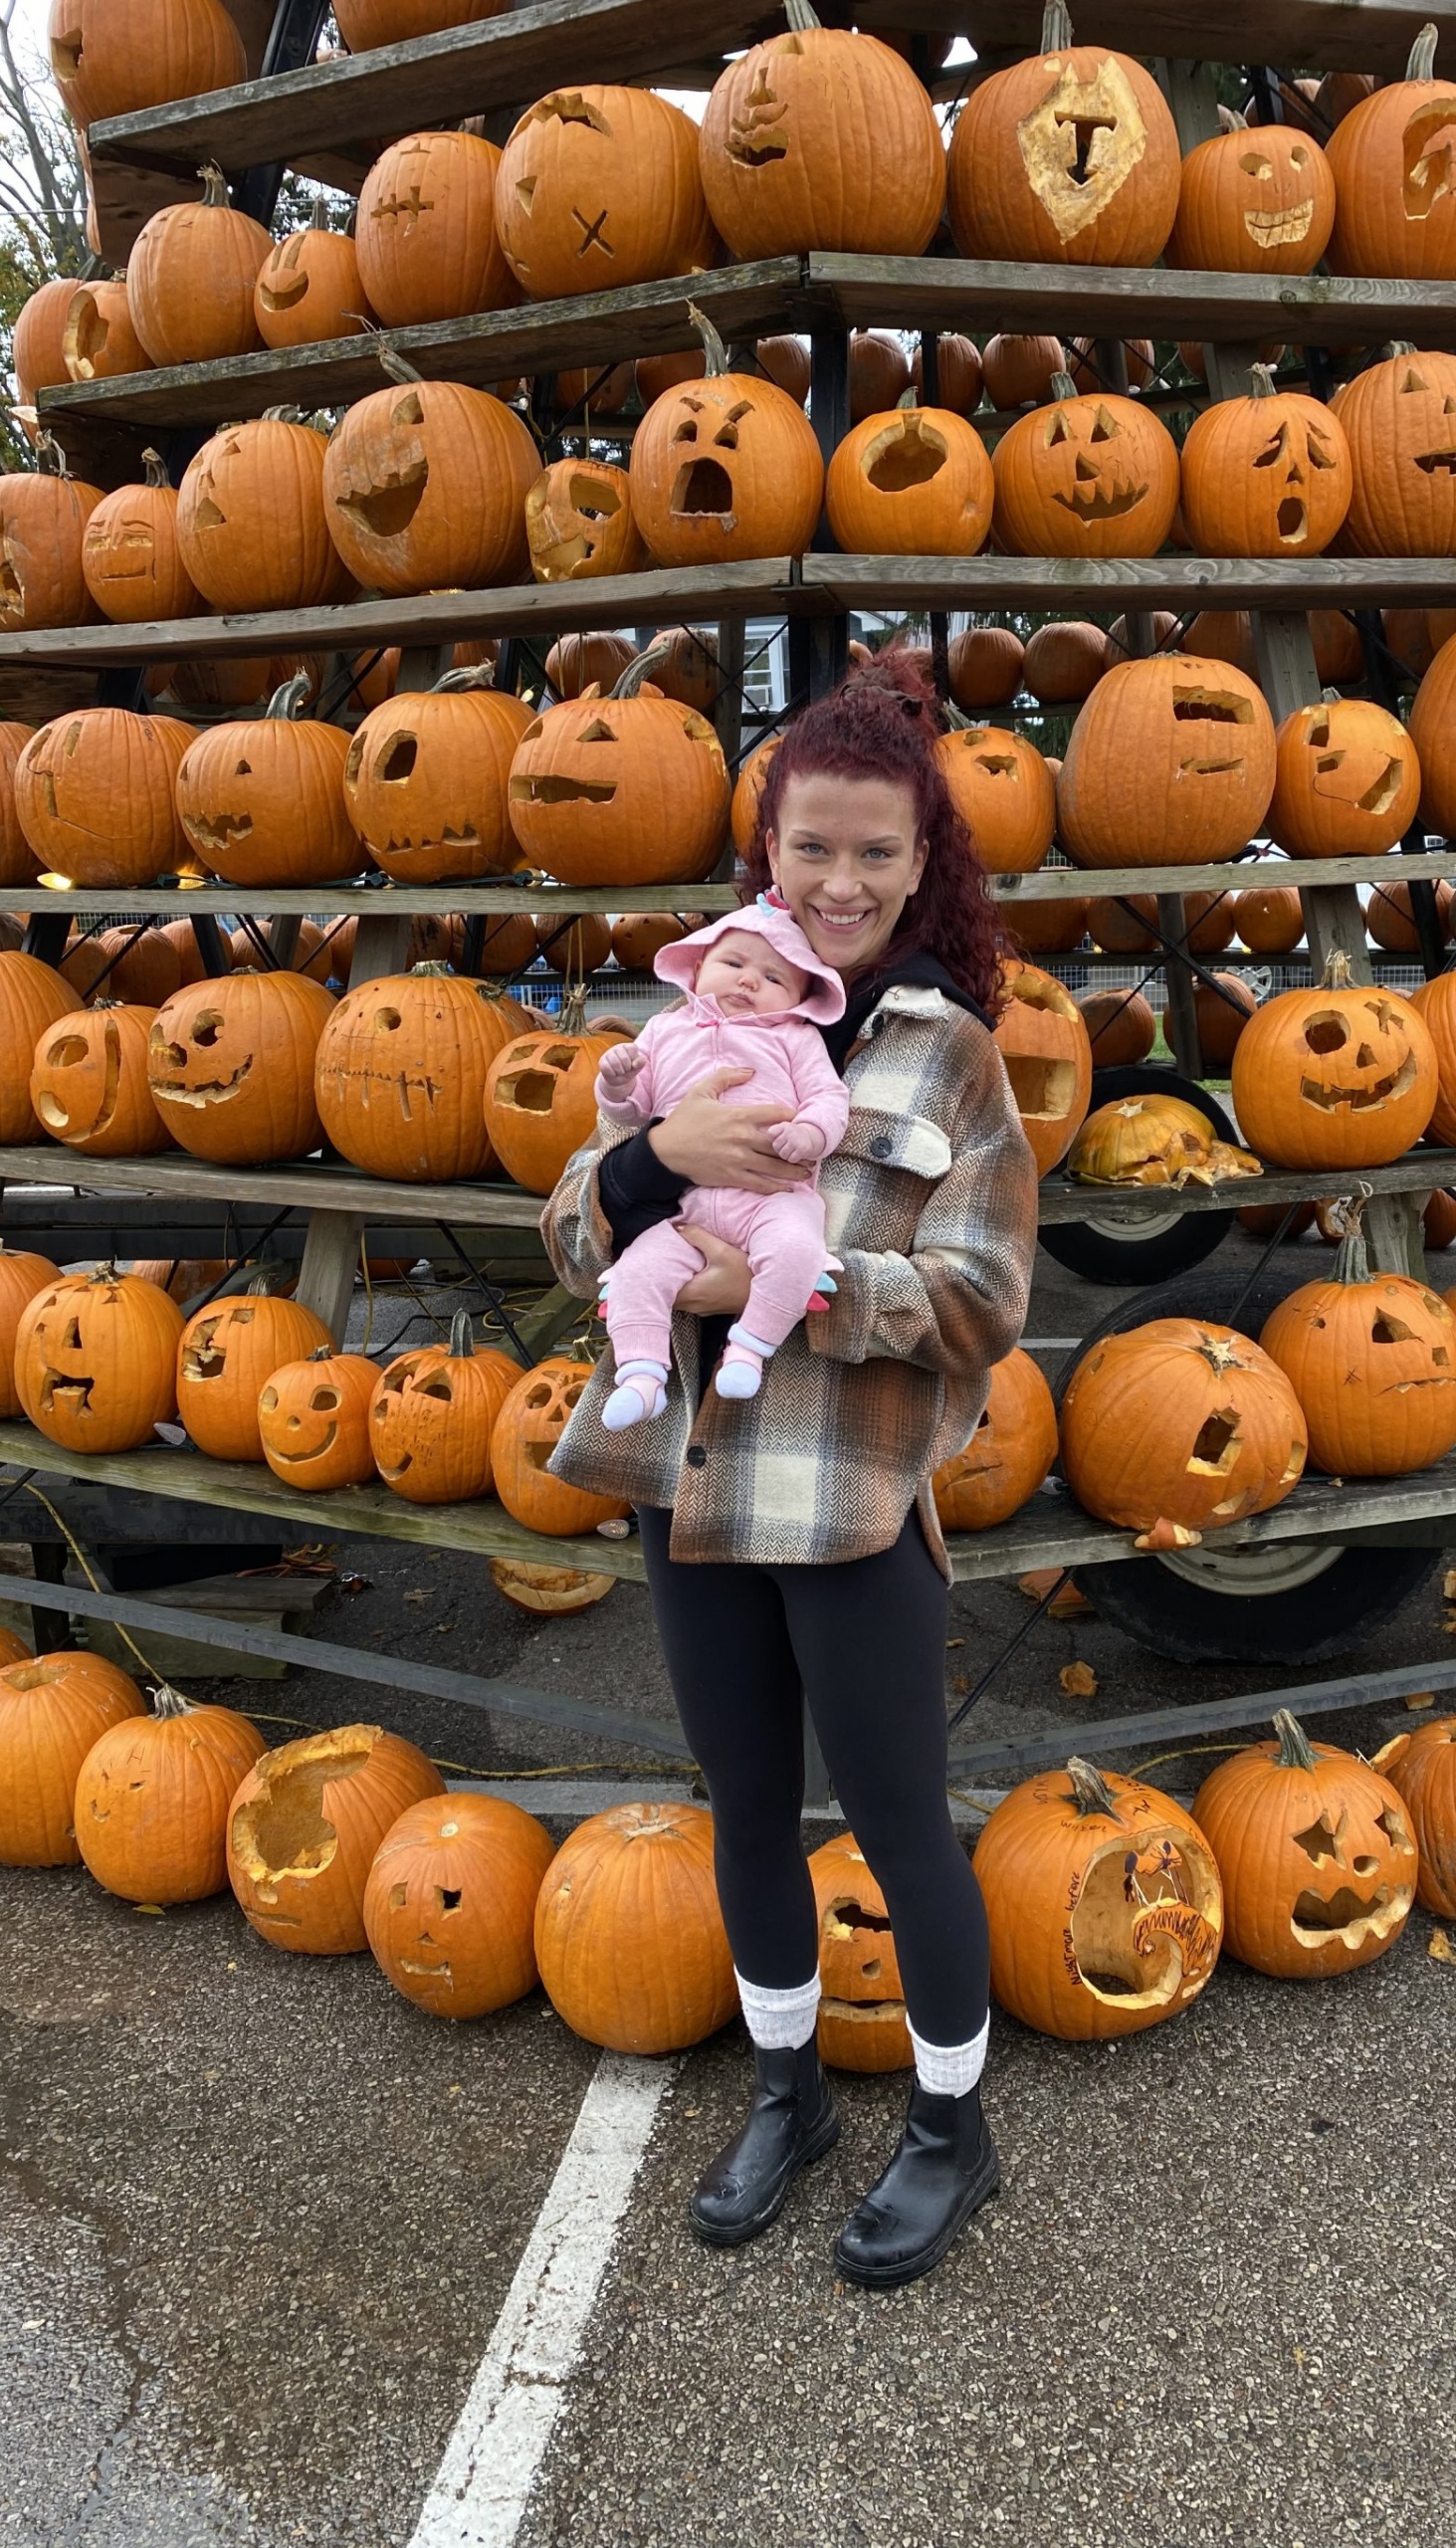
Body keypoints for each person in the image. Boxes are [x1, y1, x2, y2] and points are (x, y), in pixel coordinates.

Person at [542, 650, 1038, 2290]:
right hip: (691, 1495)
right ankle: (789, 2095)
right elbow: (563, 1232)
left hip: (845, 1506)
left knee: (902, 1828)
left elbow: (981, 1305)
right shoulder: (697, 1019)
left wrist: (787, 1285)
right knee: (746, 1814)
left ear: (921, 864)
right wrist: (642, 1168)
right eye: (807, 850)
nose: (835, 883)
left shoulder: (946, 1060)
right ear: (770, 852)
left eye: (872, 854)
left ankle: (954, 2130)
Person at [592, 907, 850, 1424]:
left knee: (798, 1248)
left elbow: (829, 1096)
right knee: (639, 1268)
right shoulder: (665, 1030)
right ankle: (641, 1374)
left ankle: (750, 1348)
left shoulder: (795, 1037)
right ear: (698, 965)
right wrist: (615, 1084)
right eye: (733, 962)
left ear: (801, 1000)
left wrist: (810, 1133)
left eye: (775, 977)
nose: (750, 980)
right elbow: (631, 1109)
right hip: (686, 1210)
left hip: (773, 1199)